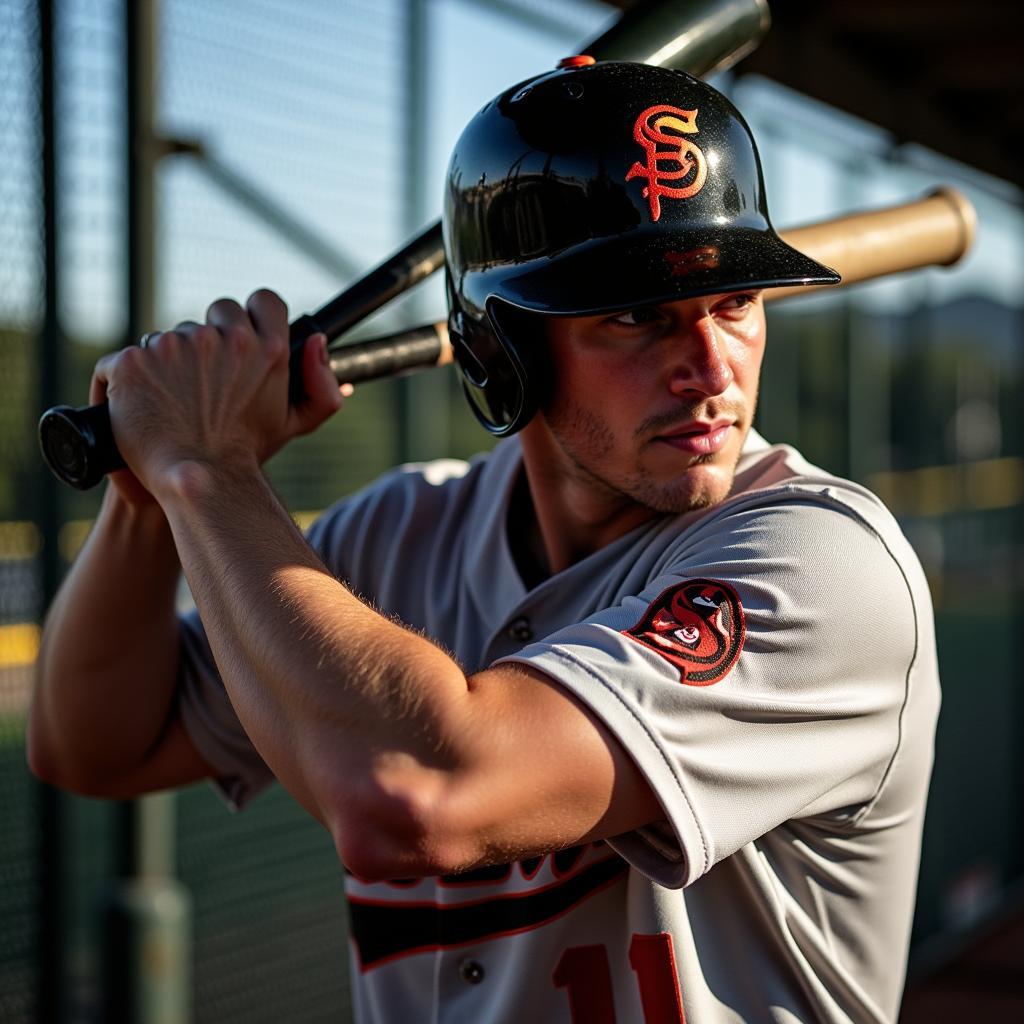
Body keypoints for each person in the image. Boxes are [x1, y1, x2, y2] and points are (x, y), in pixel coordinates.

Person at [29, 60, 939, 1023]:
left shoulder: (822, 562)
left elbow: (416, 796)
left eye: (734, 303)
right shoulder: (397, 535)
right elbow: (97, 747)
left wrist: (209, 471)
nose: (711, 368)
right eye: (638, 316)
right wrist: (151, 490)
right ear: (504, 350)